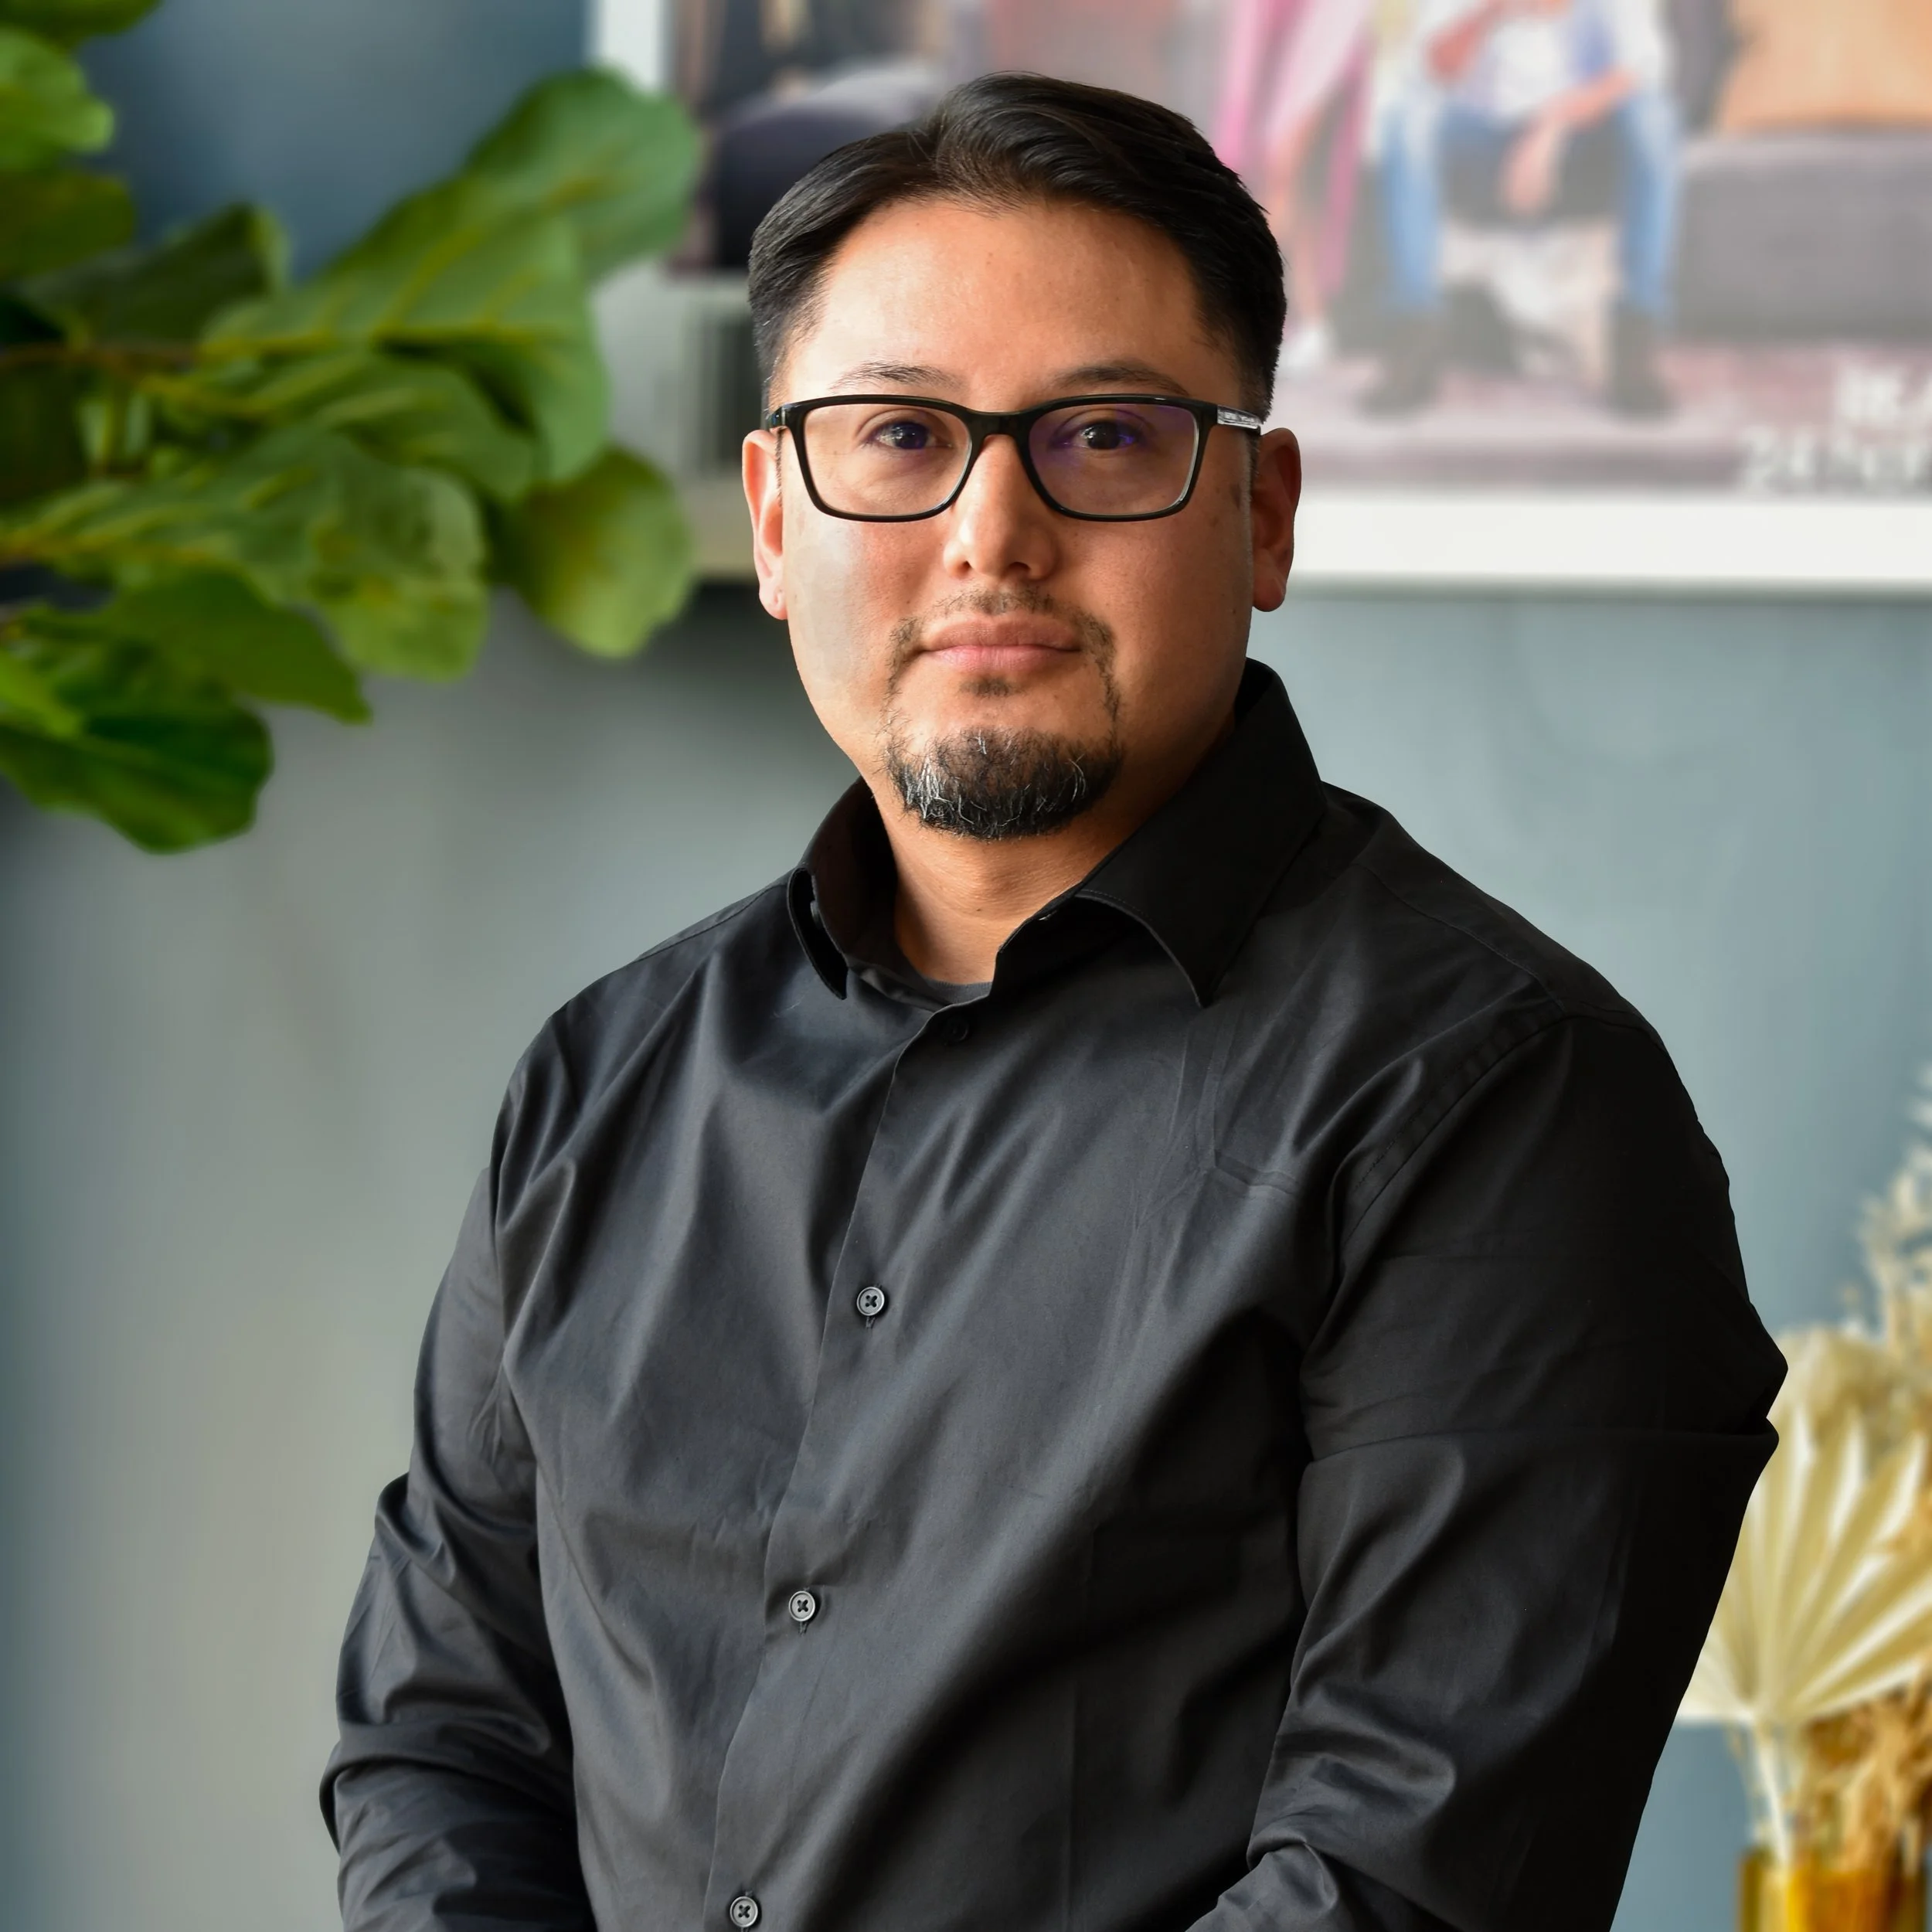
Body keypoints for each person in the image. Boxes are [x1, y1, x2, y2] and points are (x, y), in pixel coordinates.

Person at [324, 72, 1782, 1932]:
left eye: (1101, 438)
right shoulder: (605, 1079)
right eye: (898, 438)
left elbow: (1401, 1890)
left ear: (1259, 512)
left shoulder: (1500, 1102)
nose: (990, 534)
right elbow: (446, 1738)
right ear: (776, 519)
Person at [1366, 0, 1682, 417]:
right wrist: (1491, 10)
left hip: (1578, 140)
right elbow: (1433, 69)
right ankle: (1413, 335)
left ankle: (1636, 339)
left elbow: (1640, 67)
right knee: (1407, 119)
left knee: (1654, 120)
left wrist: (1553, 124)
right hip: (1480, 139)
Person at [1213, 0, 1378, 376]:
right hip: (1275, 22)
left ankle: (1246, 316)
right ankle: (1314, 323)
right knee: (1293, 179)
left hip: (1329, 17)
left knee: (1285, 163)